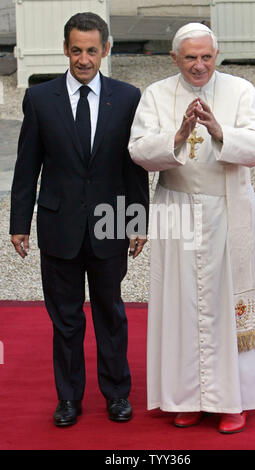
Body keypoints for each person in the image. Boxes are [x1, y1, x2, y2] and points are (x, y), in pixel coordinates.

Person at [128, 23, 255, 433]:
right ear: (175, 58)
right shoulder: (157, 94)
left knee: (228, 304)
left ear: (217, 56)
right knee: (181, 304)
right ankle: (187, 396)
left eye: (206, 57)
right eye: (191, 58)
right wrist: (177, 136)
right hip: (177, 208)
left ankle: (235, 399)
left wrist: (219, 132)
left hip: (229, 208)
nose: (199, 66)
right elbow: (138, 150)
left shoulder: (240, 91)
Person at [10, 12, 149, 427]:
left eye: (92, 50)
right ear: (65, 49)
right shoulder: (40, 99)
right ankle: (68, 399)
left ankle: (117, 394)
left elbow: (135, 167)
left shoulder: (127, 97)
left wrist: (138, 220)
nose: (83, 59)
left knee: (111, 313)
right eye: (76, 50)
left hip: (111, 223)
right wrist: (20, 223)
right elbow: (26, 165)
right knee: (66, 319)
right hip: (58, 228)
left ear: (105, 50)